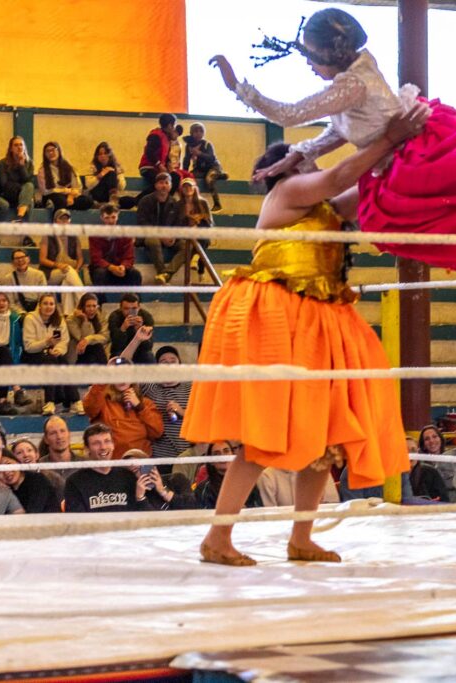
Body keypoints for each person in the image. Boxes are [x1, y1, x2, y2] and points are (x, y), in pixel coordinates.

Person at [180, 106, 424, 566]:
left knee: (327, 437)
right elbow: (340, 177)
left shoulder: (326, 208)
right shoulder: (287, 193)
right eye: (302, 157)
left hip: (321, 323)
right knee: (264, 434)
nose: (311, 159)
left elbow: (367, 186)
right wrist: (389, 138)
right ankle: (218, 537)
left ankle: (301, 537)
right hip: (278, 321)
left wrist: (411, 149)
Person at [209, 8, 456, 278]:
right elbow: (335, 136)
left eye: (310, 56)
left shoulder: (349, 86)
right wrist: (300, 151)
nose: (308, 64)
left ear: (328, 52)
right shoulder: (354, 81)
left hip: (407, 152)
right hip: (402, 148)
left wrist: (238, 87)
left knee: (411, 211)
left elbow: (294, 119)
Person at [64, 424, 184, 512]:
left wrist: (147, 494)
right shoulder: (75, 482)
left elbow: (146, 517)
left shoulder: (128, 476)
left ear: (113, 445)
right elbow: (77, 524)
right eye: (96, 443)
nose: (103, 447)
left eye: (107, 441)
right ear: (87, 449)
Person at [82, 357, 164, 459]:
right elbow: (89, 408)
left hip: (140, 463)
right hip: (112, 463)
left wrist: (140, 407)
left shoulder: (145, 403)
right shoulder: (102, 400)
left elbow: (157, 432)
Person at [22, 293, 79, 416]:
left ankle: (75, 401)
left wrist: (58, 349)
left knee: (63, 361)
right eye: (45, 303)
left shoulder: (59, 320)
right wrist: (46, 342)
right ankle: (51, 401)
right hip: (33, 355)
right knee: (50, 360)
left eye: (51, 304)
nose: (49, 307)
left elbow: (64, 341)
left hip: (52, 355)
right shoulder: (30, 319)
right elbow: (28, 346)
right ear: (40, 306)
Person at [142, 345, 192, 463]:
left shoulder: (191, 387)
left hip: (188, 456)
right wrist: (137, 340)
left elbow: (204, 417)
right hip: (160, 458)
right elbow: (122, 369)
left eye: (172, 361)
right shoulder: (150, 388)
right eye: (163, 361)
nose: (168, 364)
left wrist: (182, 412)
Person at [138, 172, 187, 284]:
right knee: (153, 241)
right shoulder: (145, 201)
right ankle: (161, 272)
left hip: (169, 238)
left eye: (166, 183)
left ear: (170, 186)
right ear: (155, 185)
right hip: (149, 236)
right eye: (161, 183)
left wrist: (173, 236)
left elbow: (178, 224)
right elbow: (142, 223)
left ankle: (166, 275)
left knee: (186, 246)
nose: (164, 185)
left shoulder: (174, 203)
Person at [88, 204, 142, 300]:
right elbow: (96, 258)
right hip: (103, 271)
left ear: (118, 216)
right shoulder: (94, 234)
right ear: (101, 218)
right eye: (107, 218)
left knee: (135, 274)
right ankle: (100, 305)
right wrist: (111, 267)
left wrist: (123, 266)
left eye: (113, 217)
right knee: (100, 274)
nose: (110, 221)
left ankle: (135, 304)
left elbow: (129, 257)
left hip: (121, 270)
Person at [38, 209, 84, 315]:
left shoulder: (74, 237)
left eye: (66, 219)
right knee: (68, 270)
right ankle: (84, 302)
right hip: (50, 273)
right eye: (61, 219)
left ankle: (68, 315)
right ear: (55, 221)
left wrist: (77, 269)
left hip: (68, 272)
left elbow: (80, 258)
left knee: (66, 284)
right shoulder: (48, 236)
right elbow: (42, 259)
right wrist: (57, 265)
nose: (64, 222)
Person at [195, 442, 263, 510]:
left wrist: (245, 511)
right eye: (217, 453)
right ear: (211, 462)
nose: (223, 456)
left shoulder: (249, 483)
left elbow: (259, 510)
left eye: (226, 451)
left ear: (233, 454)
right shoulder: (203, 489)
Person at [182, 122, 228, 212]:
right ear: (191, 133)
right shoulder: (189, 146)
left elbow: (211, 158)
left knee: (209, 179)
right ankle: (190, 201)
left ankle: (217, 203)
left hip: (212, 167)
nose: (198, 134)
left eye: (201, 131)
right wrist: (185, 172)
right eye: (196, 131)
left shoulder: (207, 144)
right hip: (200, 169)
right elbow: (186, 160)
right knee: (190, 179)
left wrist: (200, 154)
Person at [37, 141, 91, 211]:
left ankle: (63, 206)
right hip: (52, 195)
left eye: (53, 150)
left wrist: (71, 196)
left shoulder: (68, 167)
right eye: (47, 151)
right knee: (60, 200)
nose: (50, 153)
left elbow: (77, 187)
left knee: (87, 200)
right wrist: (65, 191)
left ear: (59, 151)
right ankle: (58, 213)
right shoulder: (42, 170)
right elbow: (45, 191)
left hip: (68, 195)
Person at [138, 113, 181, 195]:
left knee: (175, 177)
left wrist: (169, 165)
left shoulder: (166, 137)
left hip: (158, 168)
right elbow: (149, 152)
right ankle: (138, 200)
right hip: (148, 168)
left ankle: (167, 199)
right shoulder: (155, 136)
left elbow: (166, 156)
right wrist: (159, 165)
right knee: (160, 182)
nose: (174, 128)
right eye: (173, 125)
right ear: (169, 125)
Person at [0, 136, 34, 222]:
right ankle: (20, 219)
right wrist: (21, 189)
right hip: (7, 195)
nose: (19, 147)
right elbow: (4, 184)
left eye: (21, 145)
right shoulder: (2, 163)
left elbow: (28, 181)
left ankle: (22, 224)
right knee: (28, 197)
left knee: (30, 195)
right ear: (11, 149)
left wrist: (21, 166)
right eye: (16, 145)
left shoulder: (29, 163)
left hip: (21, 196)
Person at [108, 293, 155, 363]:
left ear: (139, 307)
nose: (130, 312)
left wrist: (140, 331)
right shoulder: (115, 317)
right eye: (126, 309)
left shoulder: (146, 317)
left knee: (149, 356)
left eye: (134, 309)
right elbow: (115, 346)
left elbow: (148, 346)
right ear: (121, 308)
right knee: (117, 358)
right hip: (121, 351)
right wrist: (123, 328)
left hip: (140, 352)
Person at [407, 425, 448, 501]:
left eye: (413, 450)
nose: (410, 454)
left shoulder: (430, 471)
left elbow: (444, 500)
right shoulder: (394, 475)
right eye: (427, 439)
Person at [1, 248, 46, 314]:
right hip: (19, 313)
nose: (20, 260)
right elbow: (10, 302)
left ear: (28, 259)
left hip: (38, 311)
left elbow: (43, 298)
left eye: (22, 257)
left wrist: (35, 313)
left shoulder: (39, 275)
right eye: (17, 258)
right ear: (12, 262)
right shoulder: (8, 278)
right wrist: (23, 313)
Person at [67, 293, 109, 365]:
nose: (92, 309)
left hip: (96, 352)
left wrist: (89, 339)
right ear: (82, 307)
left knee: (96, 347)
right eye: (88, 306)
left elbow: (105, 337)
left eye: (94, 306)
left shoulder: (101, 316)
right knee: (95, 347)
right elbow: (81, 339)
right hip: (79, 352)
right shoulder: (71, 320)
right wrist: (85, 320)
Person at [84, 142, 127, 206]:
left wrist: (117, 175)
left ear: (110, 155)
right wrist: (101, 174)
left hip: (110, 194)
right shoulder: (92, 167)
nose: (103, 156)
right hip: (97, 194)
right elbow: (88, 185)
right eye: (100, 154)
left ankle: (112, 199)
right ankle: (102, 203)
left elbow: (121, 187)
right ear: (97, 156)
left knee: (128, 201)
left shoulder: (116, 167)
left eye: (105, 153)